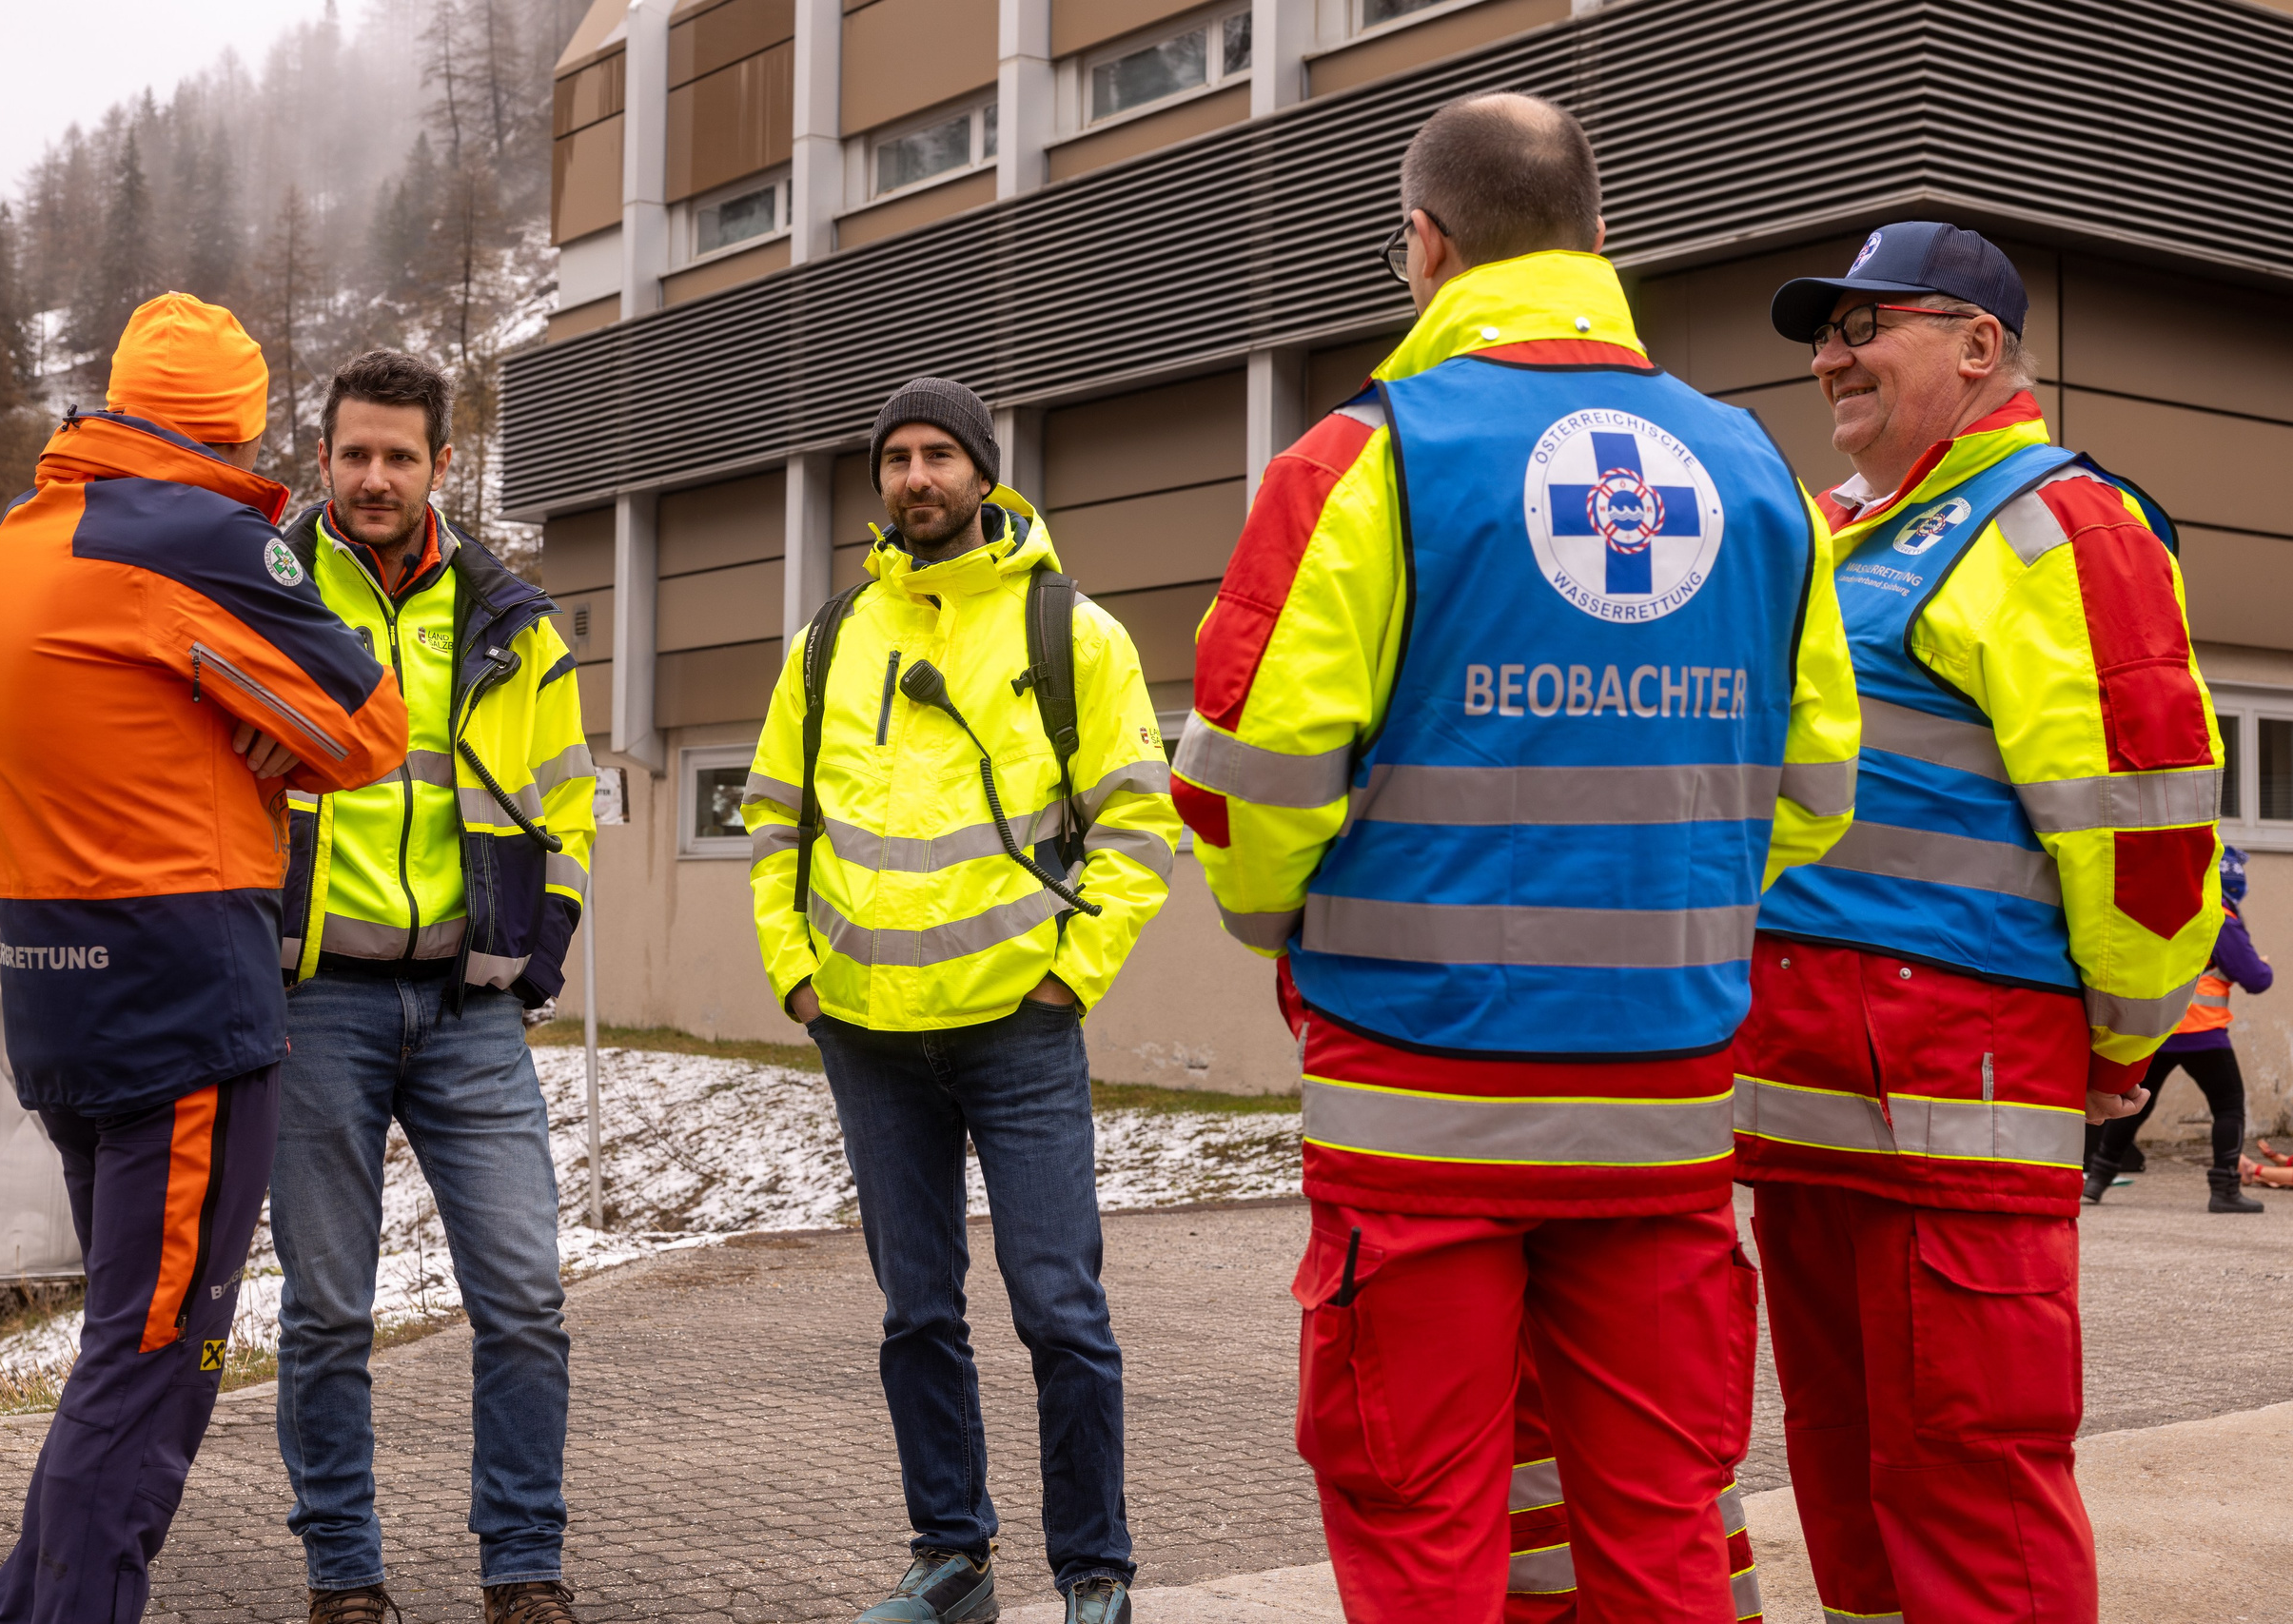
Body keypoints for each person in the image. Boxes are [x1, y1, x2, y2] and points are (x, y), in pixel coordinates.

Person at [1176, 94, 1860, 1620]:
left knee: (1424, 1525)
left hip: (1417, 1108)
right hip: (1666, 1107)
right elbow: (1812, 785)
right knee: (1664, 1525)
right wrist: (1668, 905)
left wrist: (1296, 921)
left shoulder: (1359, 462)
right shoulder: (1757, 472)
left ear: (1421, 242)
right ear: (1599, 241)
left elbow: (1244, 790)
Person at [1736, 221, 2224, 1620]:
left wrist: (2125, 1042)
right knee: (1844, 1471)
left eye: (1864, 324)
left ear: (1978, 344)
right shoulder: (1827, 531)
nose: (1831, 355)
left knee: (1971, 1483)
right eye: (1824, 333)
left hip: (1960, 1098)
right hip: (1801, 1105)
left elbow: (2147, 835)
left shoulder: (2064, 521)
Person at [0, 292, 407, 1624]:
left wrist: (228, 715)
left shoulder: (23, 538)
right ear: (238, 420)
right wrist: (260, 725)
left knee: (119, 1343)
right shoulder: (190, 533)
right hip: (182, 1013)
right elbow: (367, 722)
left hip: (60, 999)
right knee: (156, 1357)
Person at [742, 378, 1179, 1624]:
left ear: (983, 472)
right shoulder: (831, 638)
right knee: (916, 1307)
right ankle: (954, 1556)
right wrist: (798, 968)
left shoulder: (1071, 634)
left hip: (1019, 1026)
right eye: (894, 458)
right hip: (868, 1031)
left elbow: (1140, 821)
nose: (915, 476)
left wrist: (1070, 971)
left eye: (939, 454)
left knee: (1061, 1306)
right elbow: (774, 812)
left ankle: (1094, 1569)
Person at [269, 349, 597, 1624]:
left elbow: (566, 805)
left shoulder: (511, 613)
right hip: (318, 1002)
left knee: (523, 1294)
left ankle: (523, 1568)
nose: (374, 477)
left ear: (442, 466)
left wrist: (537, 959)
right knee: (328, 1309)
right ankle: (343, 1576)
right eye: (354, 453)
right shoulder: (269, 594)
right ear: (324, 456)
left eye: (400, 455)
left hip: (469, 1007)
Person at [2087, 844, 2269, 1210]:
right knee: (2229, 1105)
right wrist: (2262, 964)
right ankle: (2225, 1190)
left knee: (2134, 1103)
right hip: (2202, 1031)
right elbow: (2255, 977)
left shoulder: (2178, 904)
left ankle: (2096, 1181)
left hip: (2158, 1028)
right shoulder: (2220, 914)